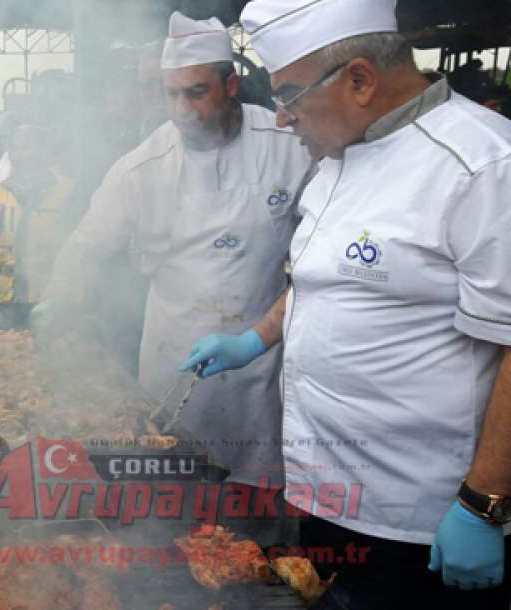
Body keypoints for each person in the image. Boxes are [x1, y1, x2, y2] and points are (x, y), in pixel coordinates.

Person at [183, 0, 511, 607]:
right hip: (323, 494)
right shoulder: (339, 156)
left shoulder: (484, 165)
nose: (281, 119)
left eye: (289, 96)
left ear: (359, 79)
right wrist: (254, 338)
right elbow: (318, 280)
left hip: (423, 519)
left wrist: (484, 505)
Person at [42, 10, 313, 541]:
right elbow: (86, 248)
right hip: (170, 371)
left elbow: (320, 249)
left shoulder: (288, 144)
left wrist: (255, 340)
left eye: (196, 92)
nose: (182, 110)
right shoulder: (142, 167)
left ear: (231, 84)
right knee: (169, 521)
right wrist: (52, 306)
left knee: (250, 527)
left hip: (257, 367)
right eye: (171, 96)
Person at [0, 125, 76, 328]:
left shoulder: (66, 191)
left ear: (42, 150)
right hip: (9, 298)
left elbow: (77, 248)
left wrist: (65, 292)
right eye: (14, 149)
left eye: (26, 148)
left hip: (50, 297)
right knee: (12, 353)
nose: (20, 155)